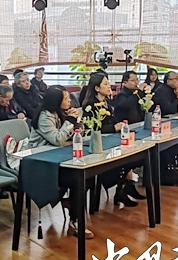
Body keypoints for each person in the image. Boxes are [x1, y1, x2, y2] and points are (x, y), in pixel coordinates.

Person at [29, 86, 93, 238]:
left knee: (88, 175)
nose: (69, 101)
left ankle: (68, 203)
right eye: (65, 98)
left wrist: (77, 124)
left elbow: (73, 136)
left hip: (59, 158)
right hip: (41, 162)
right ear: (55, 101)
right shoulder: (45, 116)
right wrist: (70, 121)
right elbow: (57, 140)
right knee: (78, 179)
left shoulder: (62, 112)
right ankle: (74, 221)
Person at [82, 74, 144, 207]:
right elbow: (90, 130)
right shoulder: (90, 106)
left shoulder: (107, 103)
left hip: (111, 140)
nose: (109, 86)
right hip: (99, 144)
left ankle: (124, 188)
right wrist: (113, 127)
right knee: (123, 161)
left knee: (134, 157)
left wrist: (119, 125)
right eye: (105, 84)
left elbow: (113, 120)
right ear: (97, 88)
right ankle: (121, 189)